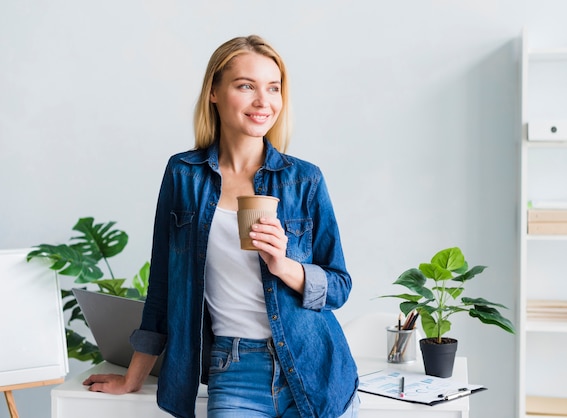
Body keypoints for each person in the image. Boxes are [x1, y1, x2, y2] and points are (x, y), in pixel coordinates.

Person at [83, 35, 360, 418]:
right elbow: (162, 286)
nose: (264, 102)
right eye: (246, 86)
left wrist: (284, 266)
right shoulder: (184, 175)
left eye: (273, 88)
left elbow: (339, 286)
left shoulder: (304, 180)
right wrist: (133, 377)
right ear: (214, 91)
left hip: (316, 370)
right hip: (235, 370)